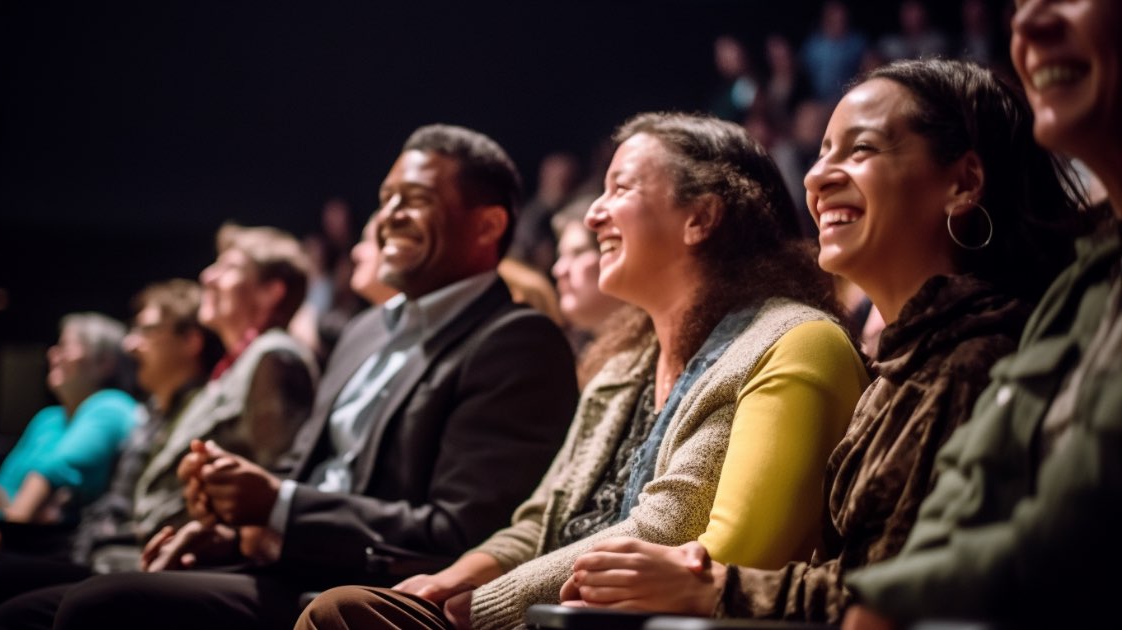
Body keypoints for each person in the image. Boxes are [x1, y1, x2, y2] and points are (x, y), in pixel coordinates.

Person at [0, 124, 580, 630]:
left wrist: (277, 506)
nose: (387, 216)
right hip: (284, 563)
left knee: (103, 607)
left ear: (488, 225)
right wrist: (223, 523)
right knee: (12, 605)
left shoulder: (516, 341)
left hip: (359, 588)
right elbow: (298, 471)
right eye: (386, 196)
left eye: (415, 199)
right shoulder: (364, 331)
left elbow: (460, 530)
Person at [556, 57, 1086, 626]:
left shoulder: (977, 359)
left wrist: (717, 587)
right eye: (823, 152)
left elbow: (893, 592)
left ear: (963, 183)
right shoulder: (907, 364)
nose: (815, 177)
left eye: (860, 150)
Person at [300, 112, 868, 630]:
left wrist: (484, 606)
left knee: (339, 616)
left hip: (633, 622)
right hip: (542, 612)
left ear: (700, 217)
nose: (594, 213)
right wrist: (458, 577)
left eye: (620, 188)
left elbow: (680, 533)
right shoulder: (622, 366)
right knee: (346, 609)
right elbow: (541, 519)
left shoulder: (790, 340)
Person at [843, 1, 1122, 627]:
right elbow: (962, 502)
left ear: (966, 183)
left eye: (859, 149)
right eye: (1020, 6)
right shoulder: (1083, 286)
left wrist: (891, 599)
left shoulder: (981, 346)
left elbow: (1084, 525)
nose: (1026, 26)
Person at [0, 279, 219, 630]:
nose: (131, 345)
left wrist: (2, 524)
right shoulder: (82, 417)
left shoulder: (121, 408)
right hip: (95, 547)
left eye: (146, 330)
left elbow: (54, 479)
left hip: (112, 553)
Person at [128, 223, 318, 541]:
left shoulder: (274, 357)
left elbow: (275, 486)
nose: (207, 277)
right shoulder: (233, 367)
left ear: (272, 291)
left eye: (229, 267)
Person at [0, 313, 138, 545]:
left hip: (55, 543)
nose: (53, 354)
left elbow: (52, 472)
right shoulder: (47, 419)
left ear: (104, 362)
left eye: (66, 346)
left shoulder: (111, 405)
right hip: (2, 533)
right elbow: (0, 488)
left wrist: (0, 519)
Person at [548, 192, 628, 382]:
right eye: (561, 256)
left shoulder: (658, 355)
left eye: (578, 252)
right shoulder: (588, 358)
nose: (559, 270)